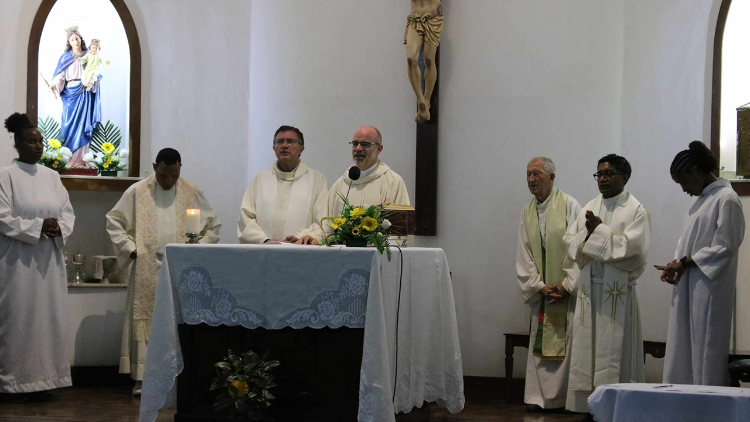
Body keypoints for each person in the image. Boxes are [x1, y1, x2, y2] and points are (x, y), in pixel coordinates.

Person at [106, 148, 221, 395]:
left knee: (177, 320)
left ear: (180, 167)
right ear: (154, 166)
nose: (169, 181)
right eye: (163, 176)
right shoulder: (137, 192)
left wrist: (197, 249)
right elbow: (114, 221)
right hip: (148, 265)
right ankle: (143, 377)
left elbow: (213, 226)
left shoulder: (192, 193)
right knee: (147, 321)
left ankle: (179, 376)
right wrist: (130, 248)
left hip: (180, 266)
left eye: (174, 175)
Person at [563, 154, 650, 420]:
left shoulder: (637, 211)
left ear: (624, 177)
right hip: (590, 291)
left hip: (617, 294)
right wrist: (590, 234)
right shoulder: (589, 206)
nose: (602, 179)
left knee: (616, 351)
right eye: (599, 174)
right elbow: (569, 240)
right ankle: (587, 405)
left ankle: (619, 405)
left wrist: (598, 233)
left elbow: (634, 252)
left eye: (609, 174)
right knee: (587, 349)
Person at [0, 113, 75, 401]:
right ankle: (14, 382)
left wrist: (58, 227)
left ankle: (47, 379)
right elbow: (3, 218)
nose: (38, 146)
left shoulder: (52, 176)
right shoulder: (5, 176)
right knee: (19, 319)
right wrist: (37, 226)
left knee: (49, 319)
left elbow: (68, 212)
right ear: (18, 144)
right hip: (17, 263)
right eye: (32, 141)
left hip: (48, 261)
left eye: (41, 141)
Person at [657, 141, 745, 386]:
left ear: (696, 171)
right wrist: (675, 264)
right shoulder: (703, 201)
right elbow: (690, 243)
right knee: (684, 347)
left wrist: (685, 262)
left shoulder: (726, 198)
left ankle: (706, 405)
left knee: (705, 350)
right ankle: (682, 402)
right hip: (690, 283)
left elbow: (725, 246)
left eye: (684, 181)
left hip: (709, 290)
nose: (684, 189)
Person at [516, 157, 581, 412]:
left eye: (537, 174)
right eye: (528, 174)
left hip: (565, 293)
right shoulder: (527, 212)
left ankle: (563, 399)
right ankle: (538, 398)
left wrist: (567, 285)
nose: (531, 180)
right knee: (540, 345)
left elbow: (580, 248)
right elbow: (524, 253)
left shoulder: (570, 205)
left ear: (552, 177)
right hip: (544, 293)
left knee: (567, 341)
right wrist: (538, 285)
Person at [296, 126, 410, 245]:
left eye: (365, 144)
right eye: (355, 144)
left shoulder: (393, 182)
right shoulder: (342, 184)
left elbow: (399, 230)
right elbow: (324, 225)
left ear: (379, 148)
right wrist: (313, 236)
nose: (358, 148)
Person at [237, 125, 327, 244]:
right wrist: (266, 241)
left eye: (290, 142)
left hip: (301, 252)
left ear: (301, 148)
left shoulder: (317, 180)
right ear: (274, 147)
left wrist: (304, 237)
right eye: (280, 142)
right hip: (264, 252)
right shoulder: (260, 180)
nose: (284, 145)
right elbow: (246, 218)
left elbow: (322, 220)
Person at [50, 25, 102, 168]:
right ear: (69, 42)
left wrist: (93, 79)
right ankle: (68, 159)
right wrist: (55, 85)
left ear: (81, 39)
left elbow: (95, 70)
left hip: (84, 91)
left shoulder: (89, 55)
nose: (75, 41)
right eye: (72, 39)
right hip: (69, 94)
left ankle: (81, 159)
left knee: (83, 124)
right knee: (68, 125)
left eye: (77, 38)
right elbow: (59, 76)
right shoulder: (65, 57)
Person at [405, 0, 443, 122]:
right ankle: (421, 100)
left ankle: (426, 99)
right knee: (411, 59)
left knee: (429, 60)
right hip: (414, 20)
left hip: (433, 19)